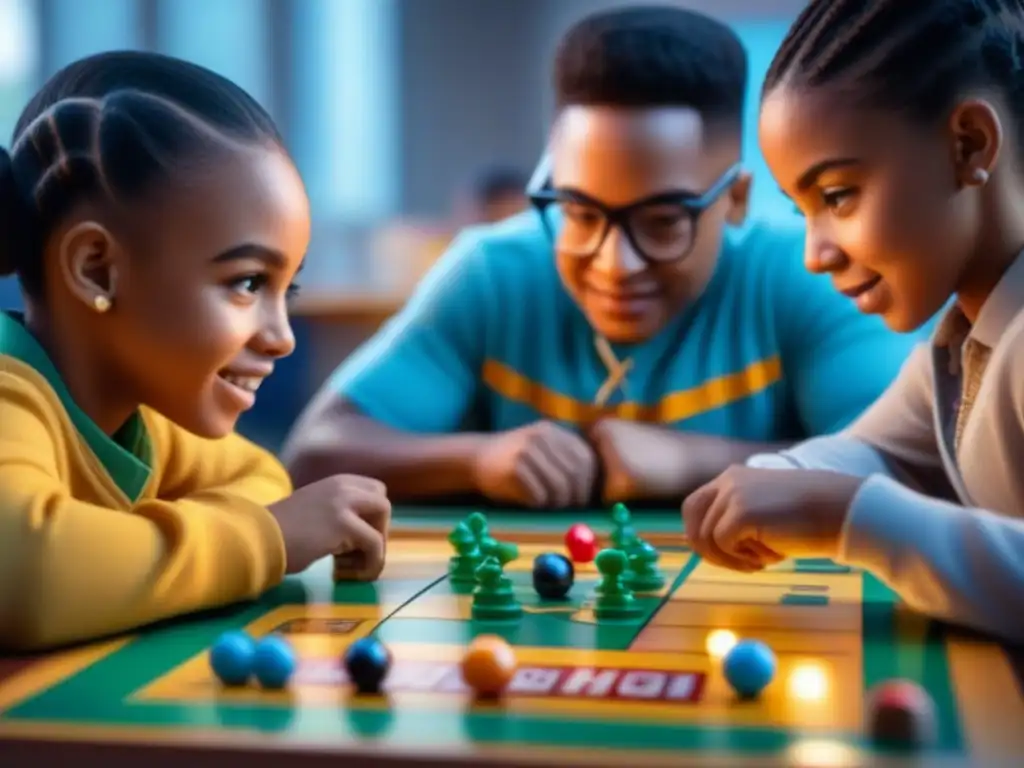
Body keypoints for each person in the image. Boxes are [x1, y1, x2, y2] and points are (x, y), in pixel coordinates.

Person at [283, 6, 924, 509]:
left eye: (662, 221)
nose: (615, 265)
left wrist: (690, 461)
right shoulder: (491, 270)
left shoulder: (804, 276)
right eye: (581, 214)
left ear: (734, 199)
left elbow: (910, 468)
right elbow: (315, 454)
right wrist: (476, 459)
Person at [0, 51, 390, 652]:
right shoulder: (10, 394)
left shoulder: (144, 421)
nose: (281, 335)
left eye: (290, 289)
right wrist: (264, 540)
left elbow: (261, 476)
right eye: (248, 283)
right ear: (97, 270)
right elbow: (27, 576)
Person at [682, 0, 1024, 642]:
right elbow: (877, 451)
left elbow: (857, 495)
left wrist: (850, 517)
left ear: (968, 144)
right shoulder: (964, 339)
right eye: (802, 210)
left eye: (837, 195)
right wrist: (779, 479)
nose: (815, 254)